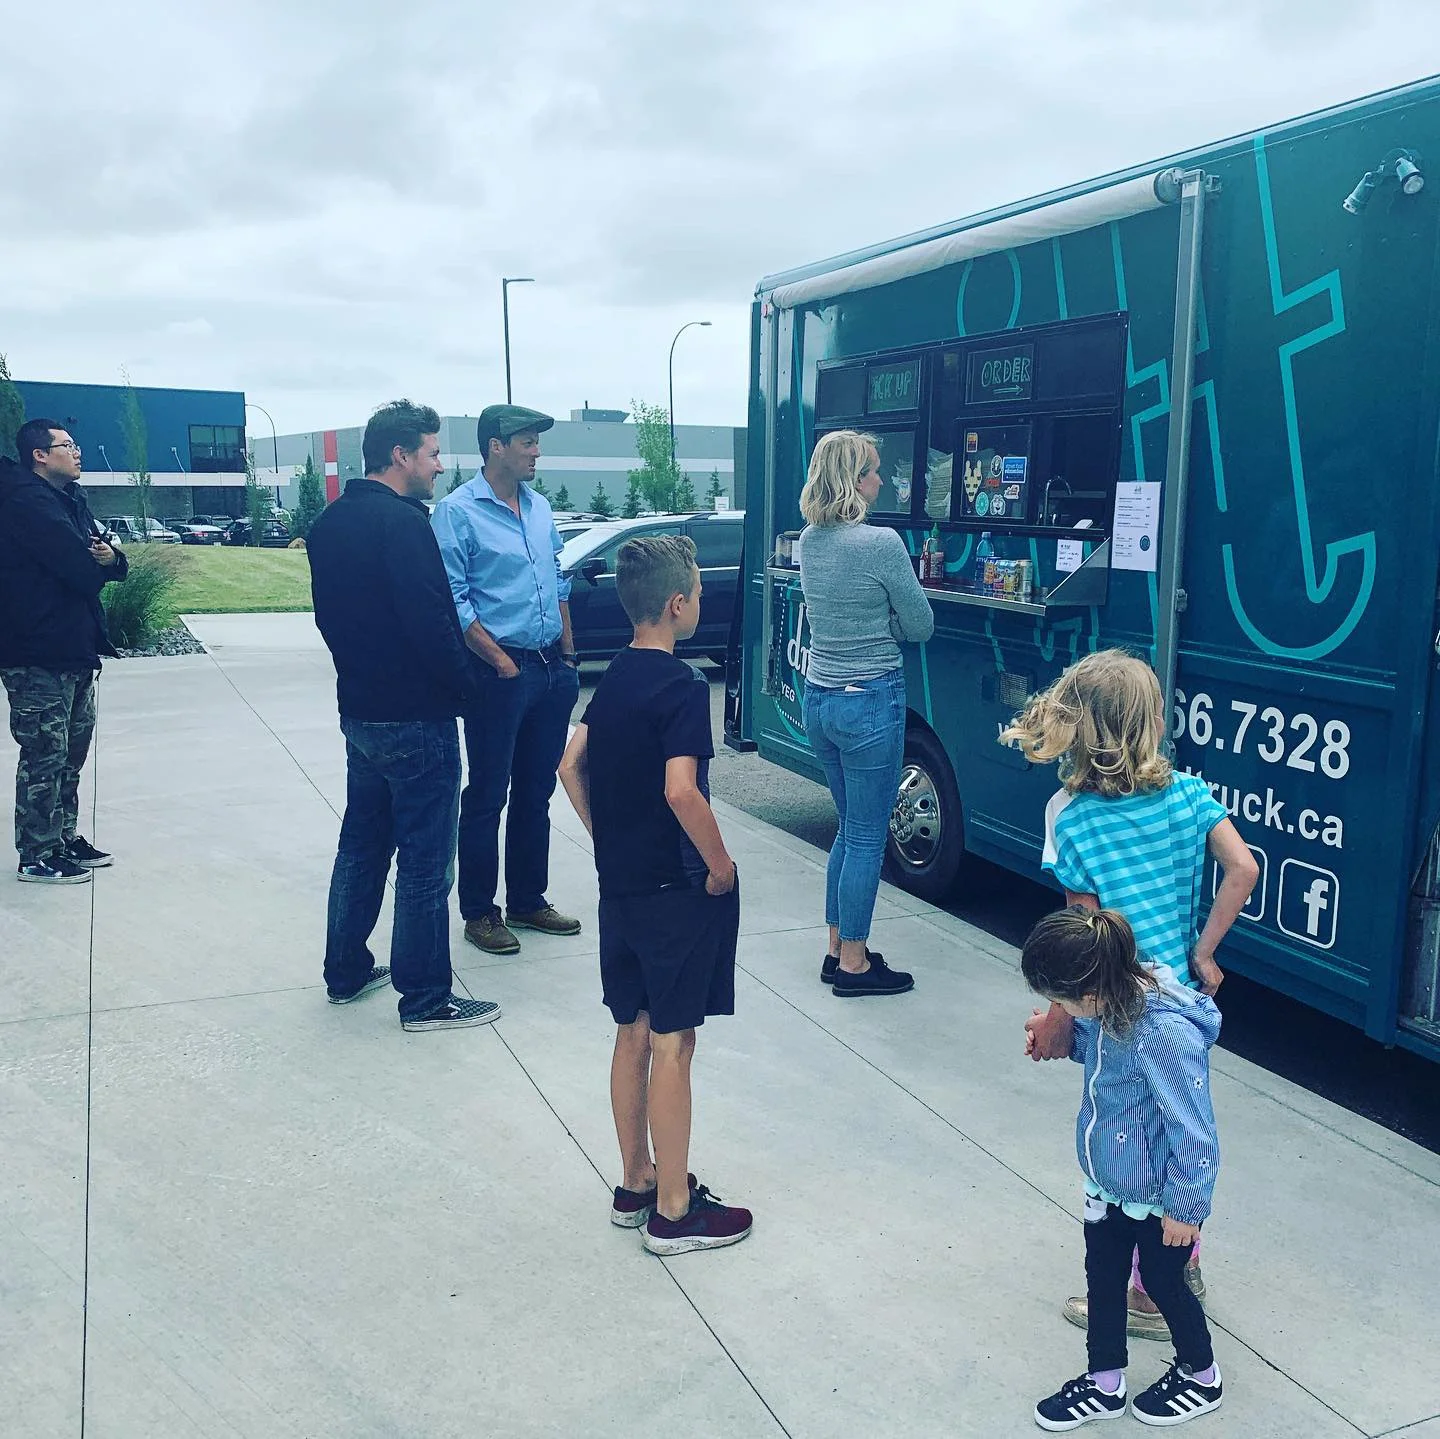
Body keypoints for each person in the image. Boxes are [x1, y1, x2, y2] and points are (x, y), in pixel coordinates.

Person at [1002, 649, 1258, 1343]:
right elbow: (1243, 866)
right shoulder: (1187, 794)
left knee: (1127, 1145)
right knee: (1175, 1127)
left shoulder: (1073, 815)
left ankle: (1152, 1288)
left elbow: (1080, 943)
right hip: (1178, 1001)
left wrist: (1059, 1020)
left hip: (1116, 1009)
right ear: (1150, 723)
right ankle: (1180, 1261)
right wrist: (1204, 950)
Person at [557, 534, 752, 1255]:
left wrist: (605, 834)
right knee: (675, 1041)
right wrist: (720, 863)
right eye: (698, 591)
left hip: (623, 889)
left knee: (631, 1030)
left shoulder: (612, 680)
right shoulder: (681, 687)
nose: (700, 600)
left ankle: (636, 1178)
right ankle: (674, 1211)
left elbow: (570, 762)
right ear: (678, 605)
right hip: (675, 890)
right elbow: (681, 788)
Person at [307, 400, 499, 1033]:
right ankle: (424, 999)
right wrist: (469, 691)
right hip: (417, 720)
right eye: (433, 453)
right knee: (424, 861)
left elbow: (328, 620)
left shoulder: (332, 522)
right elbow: (434, 625)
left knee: (361, 844)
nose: (439, 466)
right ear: (401, 456)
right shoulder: (406, 524)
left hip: (362, 713)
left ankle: (346, 969)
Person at [1022, 907, 1225, 1429]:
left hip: (1158, 1196)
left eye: (1061, 1003)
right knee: (1103, 1279)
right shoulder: (1110, 1008)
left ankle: (1201, 1374)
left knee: (1162, 1281)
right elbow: (1105, 1056)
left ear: (1090, 994)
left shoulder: (1164, 1034)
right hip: (1109, 1182)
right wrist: (1062, 1040)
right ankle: (1105, 1382)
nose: (1060, 1010)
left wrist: (1186, 1208)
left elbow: (1193, 1128)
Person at [431, 405, 582, 957]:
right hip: (501, 674)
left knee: (536, 793)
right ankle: (479, 911)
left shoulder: (540, 508)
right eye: (526, 442)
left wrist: (567, 655)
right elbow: (454, 599)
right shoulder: (458, 512)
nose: (536, 451)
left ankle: (527, 899)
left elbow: (558, 582)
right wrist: (499, 662)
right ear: (496, 447)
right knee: (488, 793)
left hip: (549, 669)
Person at [796, 429, 933, 997]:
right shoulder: (880, 544)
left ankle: (836, 947)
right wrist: (889, 626)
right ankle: (854, 963)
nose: (882, 480)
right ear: (853, 480)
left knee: (849, 830)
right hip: (870, 701)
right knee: (869, 837)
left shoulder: (809, 540)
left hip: (820, 698)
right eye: (874, 471)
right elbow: (920, 625)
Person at [0, 419, 128, 884]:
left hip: (72, 646)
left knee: (72, 750)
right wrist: (103, 562)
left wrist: (112, 559)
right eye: (67, 445)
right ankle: (36, 853)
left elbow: (108, 557)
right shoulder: (25, 503)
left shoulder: (71, 499)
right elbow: (82, 568)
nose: (77, 453)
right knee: (44, 754)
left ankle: (62, 838)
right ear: (39, 455)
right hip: (35, 650)